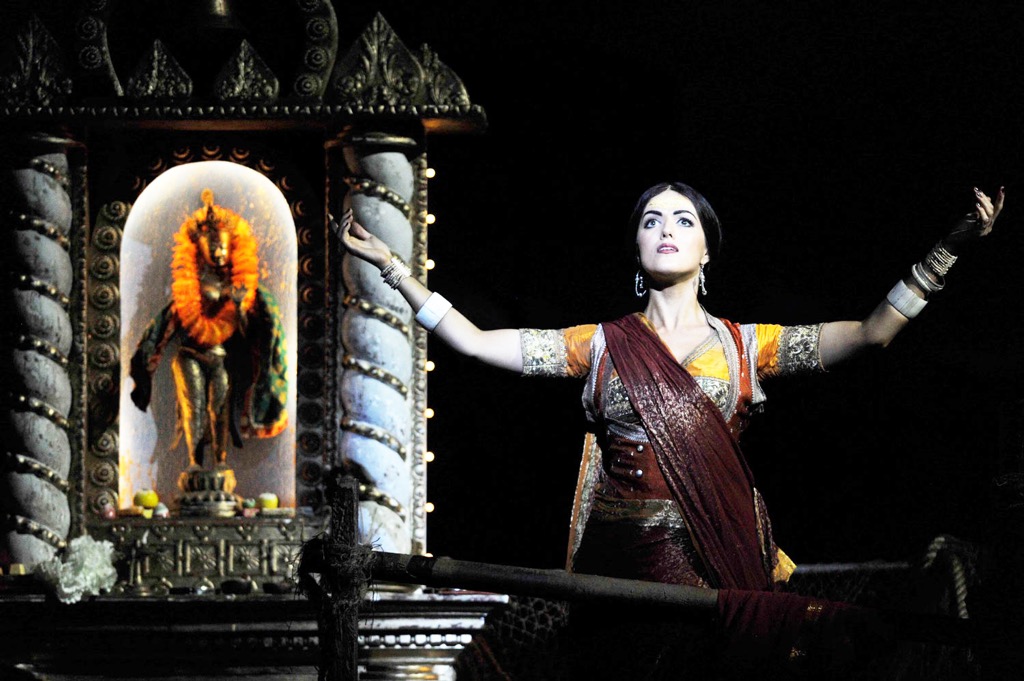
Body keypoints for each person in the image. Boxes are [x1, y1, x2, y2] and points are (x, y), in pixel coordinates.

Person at [335, 181, 1003, 590]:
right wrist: (393, 267)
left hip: (717, 557)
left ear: (707, 250)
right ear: (635, 247)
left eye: (684, 220)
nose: (666, 229)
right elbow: (474, 341)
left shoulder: (748, 346)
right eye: (651, 219)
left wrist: (950, 246)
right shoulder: (599, 344)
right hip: (618, 564)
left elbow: (872, 332)